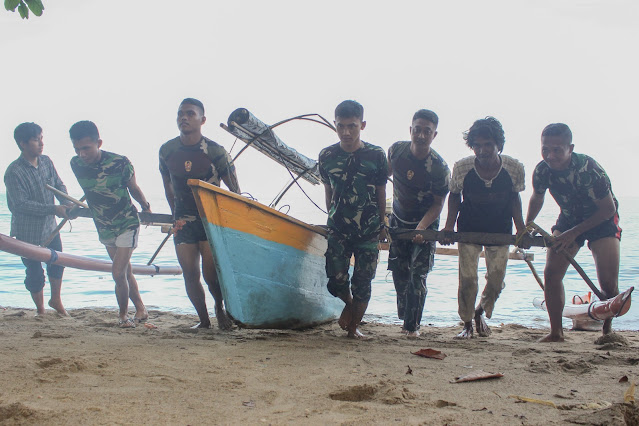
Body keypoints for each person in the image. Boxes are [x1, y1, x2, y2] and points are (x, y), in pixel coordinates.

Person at [526, 123, 621, 342]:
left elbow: (608, 209)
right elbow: (537, 197)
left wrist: (572, 234)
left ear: (571, 148)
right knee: (551, 274)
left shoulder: (589, 169)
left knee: (607, 283)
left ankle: (607, 329)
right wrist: (526, 226)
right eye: (545, 150)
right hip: (568, 217)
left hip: (602, 219)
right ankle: (556, 332)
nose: (550, 156)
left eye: (557, 150)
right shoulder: (542, 170)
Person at [159, 98, 240, 329]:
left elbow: (235, 191)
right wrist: (175, 215)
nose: (184, 118)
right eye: (180, 114)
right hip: (183, 220)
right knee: (190, 273)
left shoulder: (215, 151)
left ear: (202, 120)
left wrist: (230, 223)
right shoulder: (167, 150)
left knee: (211, 274)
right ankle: (203, 320)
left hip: (210, 220)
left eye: (190, 114)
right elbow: (168, 186)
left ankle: (219, 308)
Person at [442, 117, 525, 339]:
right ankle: (467, 324)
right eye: (477, 145)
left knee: (496, 279)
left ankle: (479, 311)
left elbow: (514, 199)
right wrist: (449, 226)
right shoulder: (462, 168)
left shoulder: (513, 168)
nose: (482, 150)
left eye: (488, 144)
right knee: (468, 279)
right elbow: (454, 197)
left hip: (500, 230)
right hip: (469, 228)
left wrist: (521, 230)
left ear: (499, 145)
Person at [69, 120, 150, 328]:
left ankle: (123, 316)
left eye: (86, 148)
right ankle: (141, 309)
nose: (82, 154)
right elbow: (92, 190)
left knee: (117, 272)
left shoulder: (120, 163)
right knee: (125, 271)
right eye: (77, 149)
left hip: (126, 222)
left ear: (99, 143)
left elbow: (133, 188)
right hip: (103, 225)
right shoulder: (75, 164)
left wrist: (145, 206)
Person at [318, 100, 388, 339]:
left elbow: (381, 190)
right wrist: (330, 214)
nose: (346, 132)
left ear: (362, 125)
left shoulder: (376, 155)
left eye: (352, 126)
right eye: (341, 126)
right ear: (334, 126)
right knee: (335, 280)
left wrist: (382, 223)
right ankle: (348, 305)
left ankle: (353, 328)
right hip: (338, 227)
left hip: (368, 229)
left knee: (363, 281)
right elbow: (328, 189)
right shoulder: (327, 156)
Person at [387, 109, 450, 338]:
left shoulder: (439, 168)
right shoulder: (396, 151)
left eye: (427, 131)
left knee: (418, 275)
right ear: (410, 130)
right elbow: (385, 177)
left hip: (426, 224)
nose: (421, 135)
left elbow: (438, 205)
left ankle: (411, 328)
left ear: (434, 135)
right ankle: (405, 315)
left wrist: (422, 228)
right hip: (398, 220)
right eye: (417, 130)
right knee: (398, 272)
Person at [4, 122, 71, 316]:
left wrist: (67, 203)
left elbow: (59, 185)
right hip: (27, 232)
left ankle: (56, 300)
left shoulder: (46, 161)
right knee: (34, 272)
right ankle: (41, 310)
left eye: (42, 139)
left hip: (50, 227)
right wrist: (54, 208)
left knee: (58, 261)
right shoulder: (14, 171)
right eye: (36, 140)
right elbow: (20, 205)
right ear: (23, 143)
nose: (41, 144)